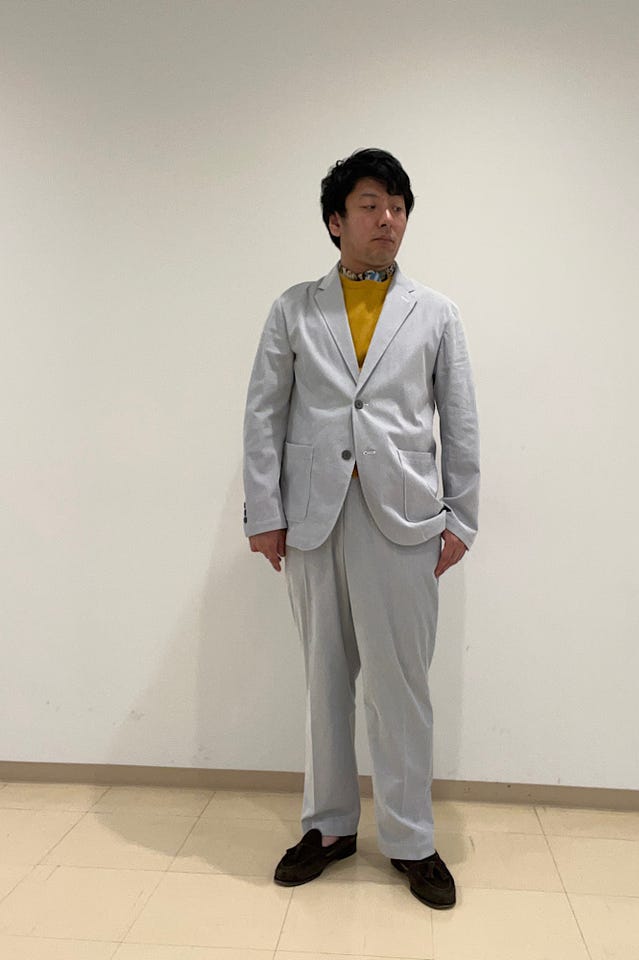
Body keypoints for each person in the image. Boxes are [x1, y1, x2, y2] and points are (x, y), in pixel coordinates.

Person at [243, 148, 479, 909]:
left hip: (405, 519)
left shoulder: (435, 312)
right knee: (324, 681)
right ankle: (329, 827)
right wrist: (264, 512)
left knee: (400, 686)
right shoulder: (293, 308)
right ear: (335, 221)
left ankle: (411, 838)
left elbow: (460, 421)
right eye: (371, 205)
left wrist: (462, 517)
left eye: (398, 207)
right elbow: (264, 413)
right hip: (313, 520)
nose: (388, 219)